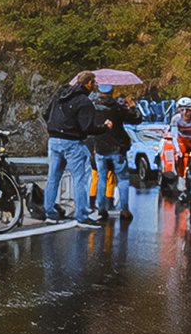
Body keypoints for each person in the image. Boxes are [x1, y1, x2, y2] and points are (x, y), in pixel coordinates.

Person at [43, 71, 110, 228]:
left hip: (53, 141)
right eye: (93, 82)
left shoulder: (59, 95)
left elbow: (45, 113)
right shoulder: (84, 102)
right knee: (80, 179)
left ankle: (50, 212)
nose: (95, 85)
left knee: (53, 177)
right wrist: (105, 127)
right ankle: (82, 215)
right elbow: (87, 128)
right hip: (72, 143)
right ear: (87, 83)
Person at [91, 85, 142, 222]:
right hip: (117, 148)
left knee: (102, 178)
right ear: (112, 92)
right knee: (123, 179)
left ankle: (101, 208)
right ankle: (124, 210)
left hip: (100, 147)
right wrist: (132, 106)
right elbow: (136, 119)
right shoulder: (118, 108)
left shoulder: (93, 107)